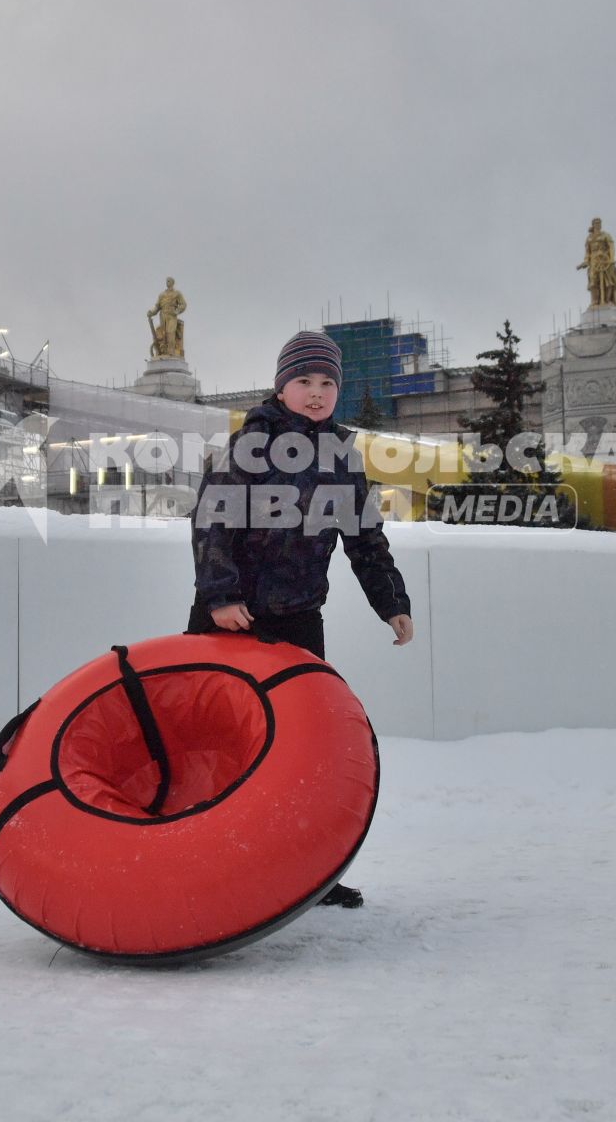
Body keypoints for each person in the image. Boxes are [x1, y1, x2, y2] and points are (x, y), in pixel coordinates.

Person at [187, 330, 413, 909]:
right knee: (218, 741)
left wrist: (391, 602)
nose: (316, 393)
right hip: (232, 617)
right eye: (304, 381)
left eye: (328, 383)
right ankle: (198, 861)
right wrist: (219, 597)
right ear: (282, 386)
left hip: (299, 619)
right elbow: (213, 525)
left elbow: (365, 539)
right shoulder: (249, 445)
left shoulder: (341, 457)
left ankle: (308, 871)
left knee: (300, 747)